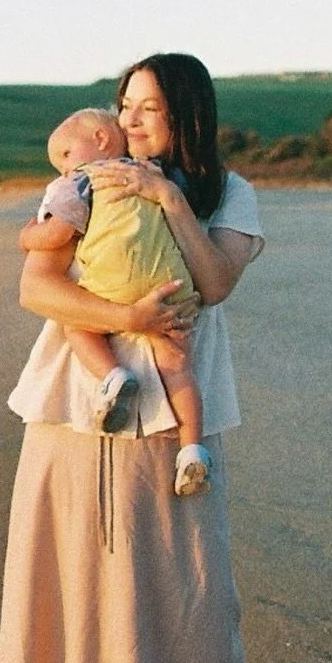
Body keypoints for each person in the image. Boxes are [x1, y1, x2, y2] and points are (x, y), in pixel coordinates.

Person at [0, 52, 281, 663]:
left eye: (149, 107)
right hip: (76, 399)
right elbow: (36, 285)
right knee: (75, 570)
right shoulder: (86, 179)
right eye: (124, 104)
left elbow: (216, 283)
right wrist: (128, 318)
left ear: (188, 114)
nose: (131, 119)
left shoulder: (228, 192)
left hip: (176, 410)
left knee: (184, 580)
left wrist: (167, 199)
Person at [18, 106, 211, 494]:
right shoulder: (154, 172)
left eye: (65, 156)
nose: (64, 169)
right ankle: (193, 450)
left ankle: (113, 375)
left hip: (116, 282)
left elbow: (57, 235)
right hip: (169, 283)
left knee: (76, 324)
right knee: (177, 366)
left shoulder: (81, 181)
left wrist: (25, 236)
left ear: (100, 140)